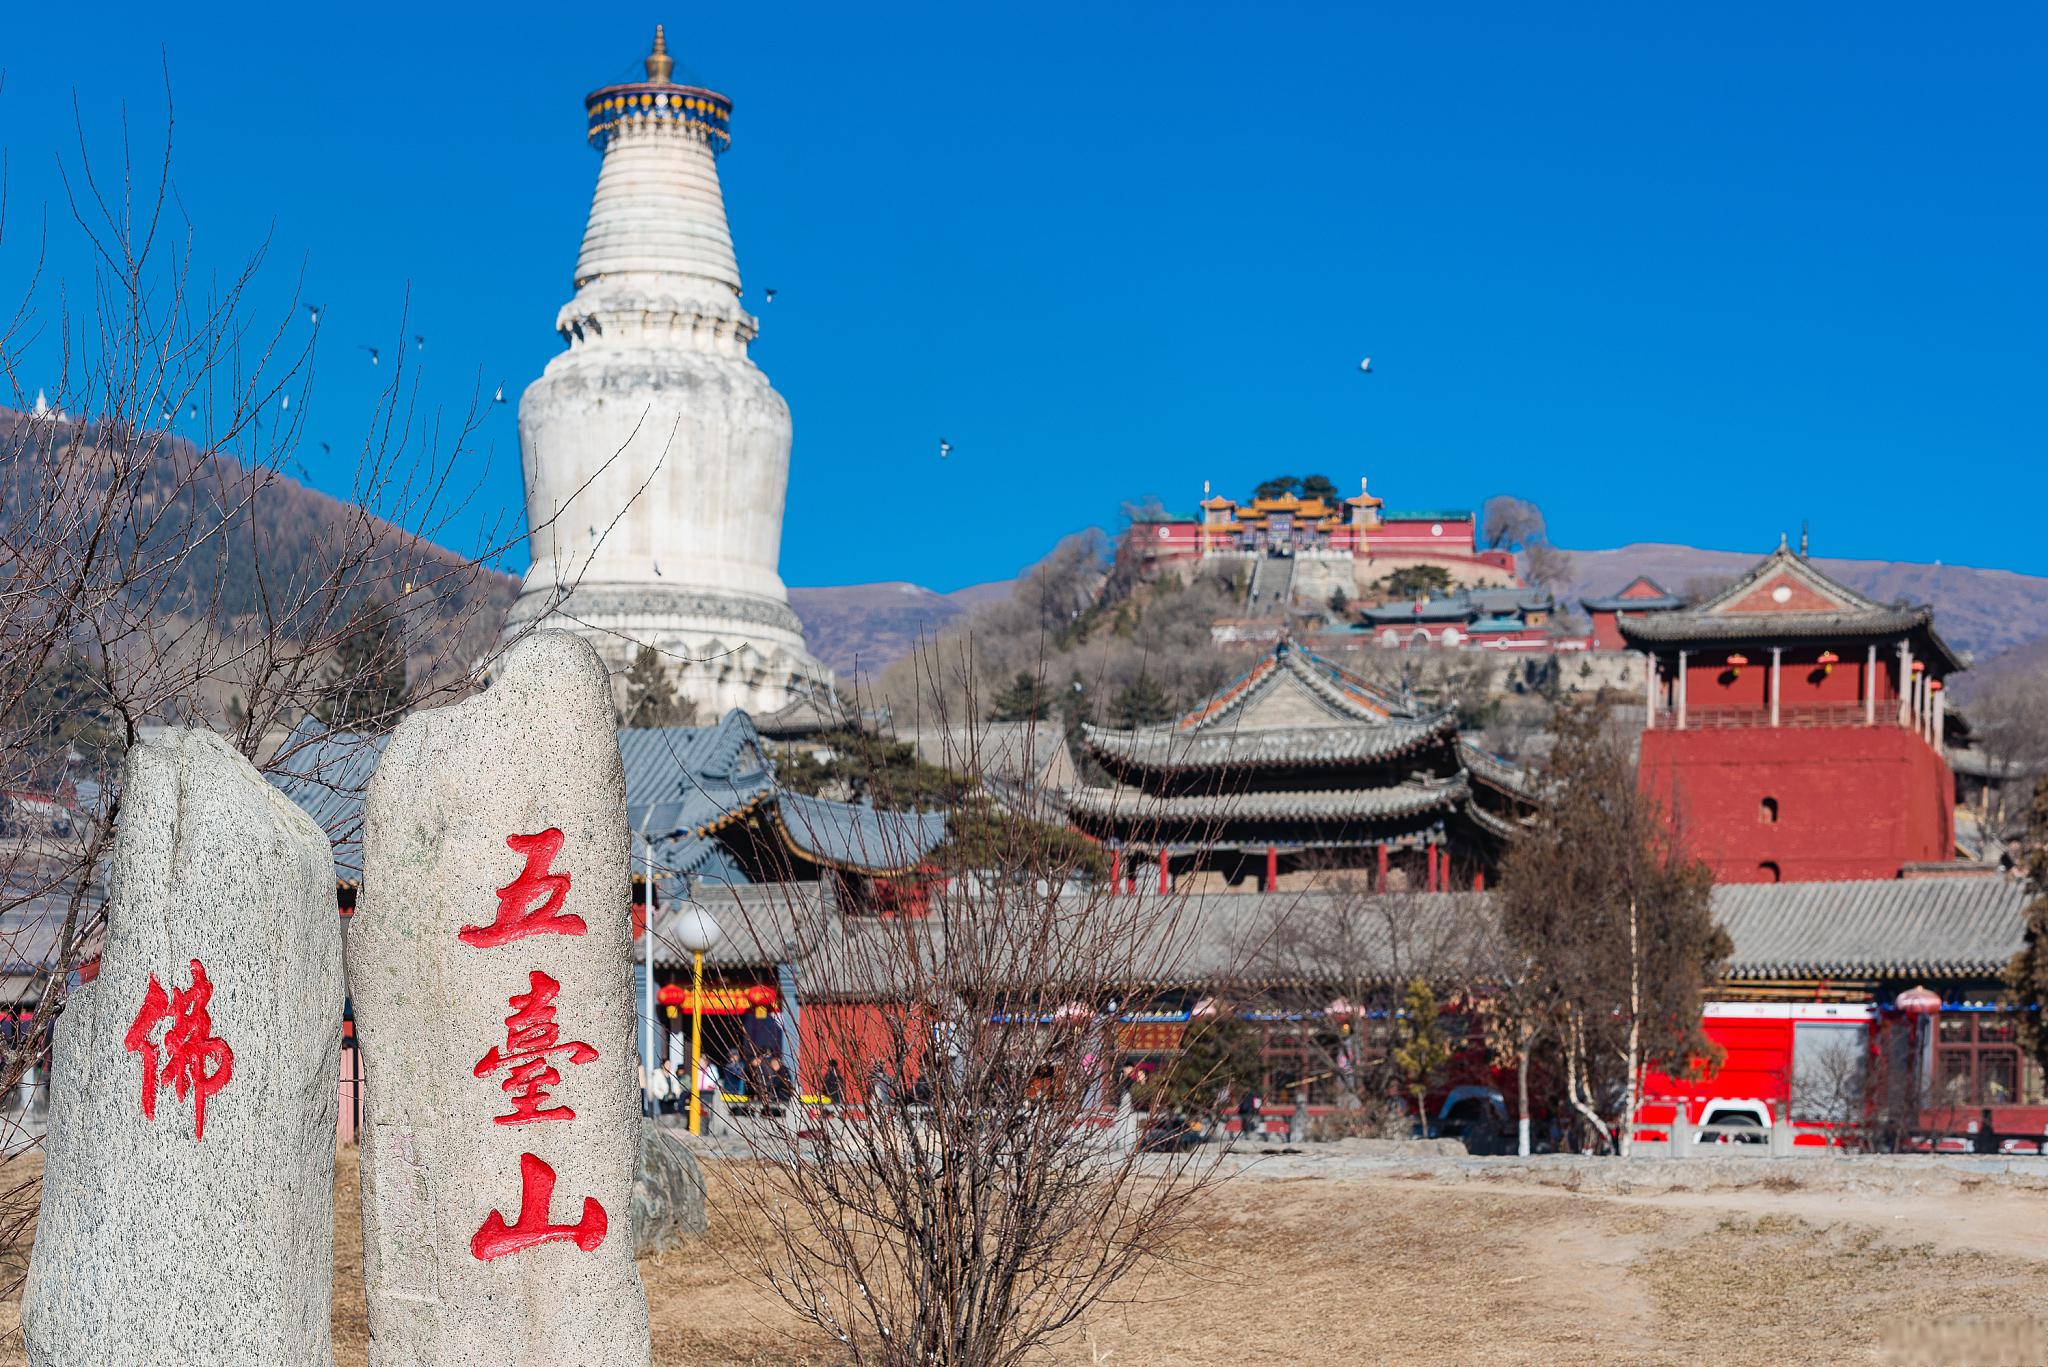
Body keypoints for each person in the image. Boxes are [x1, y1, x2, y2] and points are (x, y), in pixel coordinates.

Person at [695, 1053, 721, 1133]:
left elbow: (714, 1078)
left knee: (707, 1112)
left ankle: (706, 1130)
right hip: (699, 1092)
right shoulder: (698, 1070)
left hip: (708, 1093)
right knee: (700, 1112)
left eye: (702, 1062)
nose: (700, 1063)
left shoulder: (711, 1069)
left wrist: (709, 1085)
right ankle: (701, 1129)